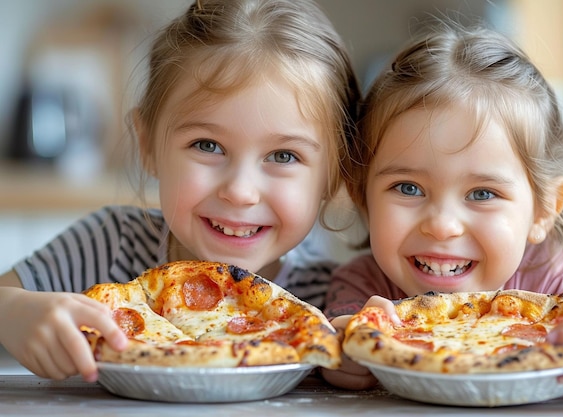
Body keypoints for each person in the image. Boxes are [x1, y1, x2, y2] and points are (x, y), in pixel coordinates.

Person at [0, 0, 359, 382]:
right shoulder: (109, 244)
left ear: (335, 176)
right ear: (148, 146)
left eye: (283, 155)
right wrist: (11, 312)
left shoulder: (331, 298)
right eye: (207, 145)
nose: (240, 192)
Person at [321, 20, 563, 392]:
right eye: (408, 187)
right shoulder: (361, 289)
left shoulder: (562, 292)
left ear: (544, 209)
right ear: (360, 196)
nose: (442, 225)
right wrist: (342, 351)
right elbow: (338, 353)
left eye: (482, 193)